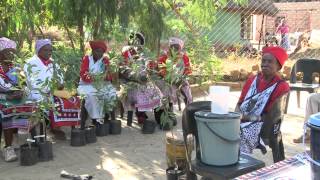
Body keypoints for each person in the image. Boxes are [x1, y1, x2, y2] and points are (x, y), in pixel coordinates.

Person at [236, 46, 290, 154]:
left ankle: (242, 165)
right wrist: (236, 115)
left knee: (237, 133)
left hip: (263, 124)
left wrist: (245, 117)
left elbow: (270, 117)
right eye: (263, 61)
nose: (265, 64)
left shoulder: (281, 86)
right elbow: (240, 103)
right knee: (219, 126)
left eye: (270, 62)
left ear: (278, 66)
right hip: (242, 118)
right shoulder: (252, 79)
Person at [24, 39, 81, 139]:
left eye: (50, 50)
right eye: (46, 50)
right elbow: (32, 83)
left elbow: (60, 78)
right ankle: (47, 130)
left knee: (73, 100)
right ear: (38, 50)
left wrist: (60, 84)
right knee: (45, 104)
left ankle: (57, 128)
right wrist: (49, 88)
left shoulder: (53, 63)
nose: (49, 53)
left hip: (53, 92)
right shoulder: (30, 63)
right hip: (37, 93)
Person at [0, 37, 36, 162]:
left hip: (13, 97)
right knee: (7, 109)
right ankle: (8, 147)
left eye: (13, 52)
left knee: (31, 105)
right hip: (2, 98)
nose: (11, 54)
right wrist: (6, 96)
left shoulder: (14, 67)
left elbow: (24, 84)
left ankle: (24, 141)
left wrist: (21, 91)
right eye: (8, 51)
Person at [119, 32, 162, 126]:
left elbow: (149, 68)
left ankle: (160, 116)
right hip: (129, 82)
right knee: (139, 91)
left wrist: (149, 72)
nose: (136, 43)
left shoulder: (143, 53)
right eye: (134, 40)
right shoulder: (126, 52)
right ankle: (140, 115)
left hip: (144, 80)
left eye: (138, 41)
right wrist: (135, 77)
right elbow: (123, 69)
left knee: (155, 91)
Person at [77, 40, 117, 126]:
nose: (99, 54)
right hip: (86, 85)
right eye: (97, 51)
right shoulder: (87, 59)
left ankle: (106, 116)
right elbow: (83, 74)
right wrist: (95, 78)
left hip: (102, 85)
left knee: (111, 94)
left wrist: (105, 77)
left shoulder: (105, 60)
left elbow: (109, 75)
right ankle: (96, 119)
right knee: (92, 96)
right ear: (93, 51)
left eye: (101, 52)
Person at [157, 37, 192, 109]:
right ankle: (168, 110)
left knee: (187, 91)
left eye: (177, 47)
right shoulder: (164, 58)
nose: (175, 49)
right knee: (168, 92)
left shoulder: (184, 57)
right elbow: (161, 71)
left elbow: (188, 69)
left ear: (180, 48)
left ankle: (189, 108)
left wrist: (182, 77)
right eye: (173, 47)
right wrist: (171, 79)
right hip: (167, 80)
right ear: (170, 47)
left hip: (181, 79)